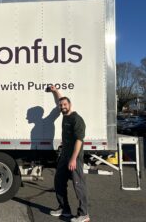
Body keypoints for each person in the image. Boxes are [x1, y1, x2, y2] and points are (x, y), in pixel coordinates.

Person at [48, 86, 90, 222]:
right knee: (59, 181)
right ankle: (64, 209)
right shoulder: (65, 115)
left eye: (65, 104)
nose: (62, 106)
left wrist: (73, 159)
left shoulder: (76, 119)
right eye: (61, 105)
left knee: (78, 185)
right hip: (64, 156)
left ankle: (84, 214)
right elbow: (59, 100)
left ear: (70, 105)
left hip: (74, 157)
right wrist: (55, 91)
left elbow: (79, 140)